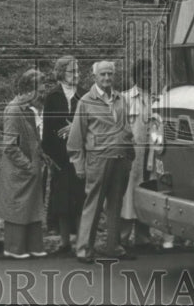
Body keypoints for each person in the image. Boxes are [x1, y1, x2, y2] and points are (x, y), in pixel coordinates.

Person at [67, 60, 135, 263]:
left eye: (110, 74)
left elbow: (126, 129)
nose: (107, 78)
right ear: (95, 77)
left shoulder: (121, 99)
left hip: (120, 158)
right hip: (98, 160)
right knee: (94, 204)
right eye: (103, 75)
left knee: (115, 204)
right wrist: (78, 164)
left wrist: (130, 154)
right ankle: (84, 249)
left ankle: (112, 247)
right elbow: (75, 138)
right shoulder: (86, 101)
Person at [0, 69, 48, 260]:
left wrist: (39, 157)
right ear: (29, 90)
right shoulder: (13, 110)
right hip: (19, 170)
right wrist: (28, 165)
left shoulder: (28, 109)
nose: (42, 95)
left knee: (33, 207)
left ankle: (34, 245)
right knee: (17, 207)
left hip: (31, 168)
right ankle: (14, 247)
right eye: (40, 91)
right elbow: (9, 146)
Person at [41, 55, 85, 255]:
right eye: (71, 71)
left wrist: (74, 128)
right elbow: (48, 129)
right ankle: (64, 242)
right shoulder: (52, 97)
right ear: (61, 73)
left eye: (78, 71)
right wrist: (50, 156)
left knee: (80, 197)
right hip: (59, 156)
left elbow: (91, 123)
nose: (76, 75)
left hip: (80, 154)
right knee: (62, 199)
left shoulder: (85, 96)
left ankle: (81, 242)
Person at [121, 58, 155, 250]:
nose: (148, 76)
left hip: (149, 156)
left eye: (151, 73)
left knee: (146, 193)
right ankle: (123, 237)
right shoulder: (125, 98)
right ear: (136, 75)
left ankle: (144, 238)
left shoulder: (155, 100)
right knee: (127, 195)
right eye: (145, 72)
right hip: (131, 156)